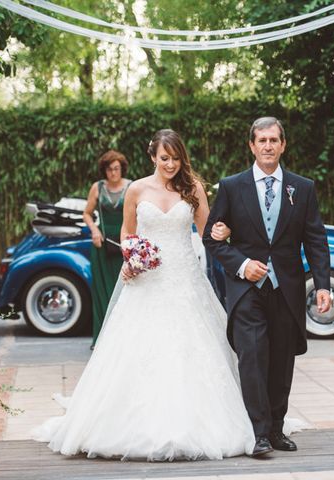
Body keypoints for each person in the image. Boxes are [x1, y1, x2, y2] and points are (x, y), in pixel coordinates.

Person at [32, 129, 255, 461]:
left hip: (184, 280)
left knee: (192, 348)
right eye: (164, 158)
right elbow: (126, 230)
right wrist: (131, 254)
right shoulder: (136, 189)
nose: (170, 164)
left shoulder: (192, 188)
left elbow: (209, 231)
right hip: (146, 280)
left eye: (176, 158)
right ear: (152, 157)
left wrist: (225, 230)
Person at [203, 117, 331, 457]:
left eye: (274, 140)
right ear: (252, 145)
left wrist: (322, 284)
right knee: (253, 359)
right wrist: (243, 265)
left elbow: (315, 239)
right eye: (261, 140)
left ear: (283, 144)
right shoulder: (232, 187)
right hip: (247, 292)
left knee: (281, 362)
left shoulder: (302, 188)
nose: (268, 146)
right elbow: (211, 241)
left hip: (286, 290)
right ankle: (258, 433)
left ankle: (276, 428)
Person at [82, 150, 132, 347]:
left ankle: (123, 338)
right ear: (104, 170)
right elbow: (86, 213)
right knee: (103, 291)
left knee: (125, 290)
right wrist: (94, 230)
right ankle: (103, 339)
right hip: (102, 244)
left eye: (117, 169)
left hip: (124, 243)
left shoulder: (131, 187)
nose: (113, 173)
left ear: (122, 169)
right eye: (110, 169)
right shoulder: (98, 187)